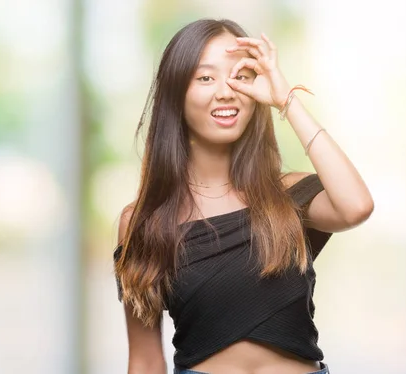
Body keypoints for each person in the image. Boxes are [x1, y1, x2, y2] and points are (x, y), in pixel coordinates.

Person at [113, 19, 374, 374]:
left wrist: (286, 99)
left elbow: (356, 206)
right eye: (206, 78)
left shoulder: (288, 195)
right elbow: (144, 360)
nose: (226, 91)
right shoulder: (145, 221)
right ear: (176, 93)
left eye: (241, 76)